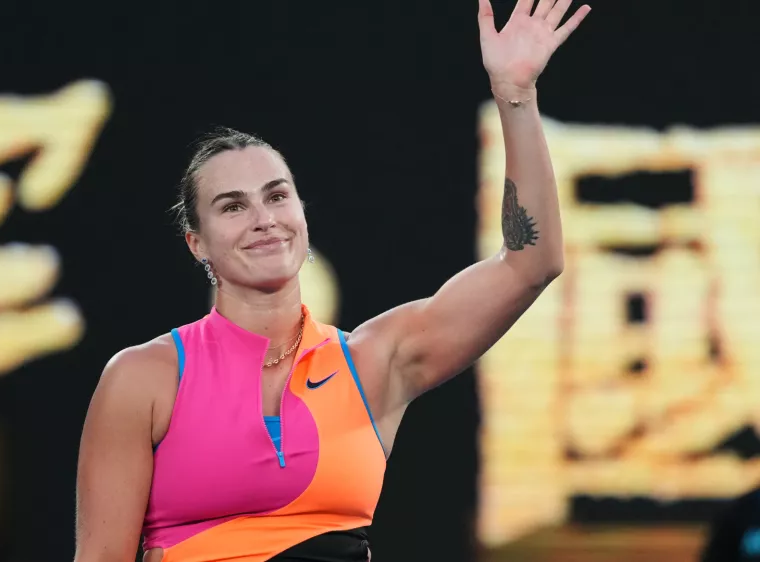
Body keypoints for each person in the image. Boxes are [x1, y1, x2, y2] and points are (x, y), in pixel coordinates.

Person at [74, 0, 590, 560]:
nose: (264, 219)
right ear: (196, 243)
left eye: (277, 195)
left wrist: (515, 96)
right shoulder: (143, 378)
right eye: (232, 206)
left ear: (302, 213)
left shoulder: (373, 363)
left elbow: (530, 262)